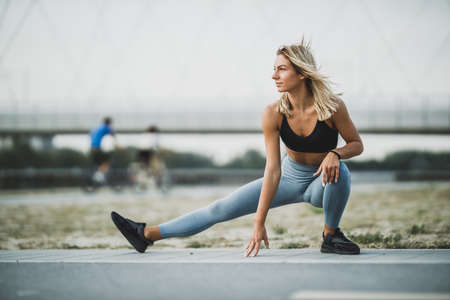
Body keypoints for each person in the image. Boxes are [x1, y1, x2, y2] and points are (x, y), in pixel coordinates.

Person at [111, 37, 364, 256]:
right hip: (287, 178)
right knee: (220, 208)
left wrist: (335, 153)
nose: (273, 75)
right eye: (274, 69)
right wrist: (259, 221)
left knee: (340, 170)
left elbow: (356, 144)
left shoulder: (332, 107)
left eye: (282, 69)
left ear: (302, 73)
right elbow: (273, 170)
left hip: (321, 185)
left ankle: (330, 236)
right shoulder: (273, 113)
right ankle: (145, 234)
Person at [89, 117, 118, 184]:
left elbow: (91, 135)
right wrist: (118, 146)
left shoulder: (96, 128)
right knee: (108, 160)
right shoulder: (107, 128)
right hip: (98, 148)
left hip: (92, 148)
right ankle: (99, 176)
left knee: (100, 162)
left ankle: (98, 174)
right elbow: (113, 135)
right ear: (109, 123)